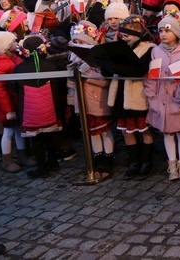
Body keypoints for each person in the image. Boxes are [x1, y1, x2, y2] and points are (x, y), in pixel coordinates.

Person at [105, 15, 157, 179]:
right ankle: (134, 162)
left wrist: (119, 65)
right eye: (123, 35)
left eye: (127, 35)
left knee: (143, 130)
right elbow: (107, 71)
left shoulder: (148, 48)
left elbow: (139, 69)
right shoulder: (118, 47)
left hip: (137, 96)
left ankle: (147, 162)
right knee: (127, 130)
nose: (124, 37)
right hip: (120, 95)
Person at [144, 14, 180, 181]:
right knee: (167, 132)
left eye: (167, 30)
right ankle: (172, 163)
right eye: (160, 31)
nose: (163, 34)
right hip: (161, 98)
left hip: (177, 97)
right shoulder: (156, 51)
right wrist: (151, 95)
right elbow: (152, 75)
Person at [12, 35, 67, 178]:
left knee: (36, 141)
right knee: (51, 136)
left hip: (30, 113)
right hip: (51, 109)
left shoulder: (18, 69)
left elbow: (13, 87)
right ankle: (53, 162)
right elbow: (62, 85)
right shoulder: (53, 66)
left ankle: (42, 168)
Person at [67, 21, 115, 179]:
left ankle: (108, 158)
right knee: (92, 133)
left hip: (98, 101)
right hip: (83, 103)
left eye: (82, 42)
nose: (79, 45)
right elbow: (71, 85)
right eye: (76, 42)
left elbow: (106, 81)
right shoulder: (73, 60)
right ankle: (97, 156)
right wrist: (71, 100)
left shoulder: (97, 60)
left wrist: (87, 76)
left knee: (104, 131)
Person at [0, 31, 26, 173]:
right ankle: (7, 160)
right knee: (8, 132)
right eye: (13, 43)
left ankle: (23, 156)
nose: (15, 44)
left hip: (15, 101)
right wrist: (8, 110)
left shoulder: (13, 57)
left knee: (18, 130)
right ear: (5, 47)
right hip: (7, 105)